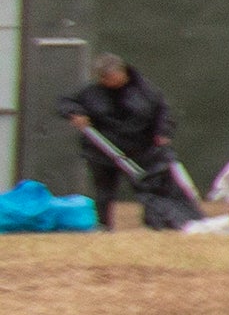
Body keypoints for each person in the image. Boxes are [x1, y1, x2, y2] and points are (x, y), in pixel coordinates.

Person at [60, 55, 194, 229]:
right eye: (103, 78)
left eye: (110, 77)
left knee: (149, 188)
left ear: (122, 73)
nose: (107, 81)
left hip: (140, 150)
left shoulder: (145, 91)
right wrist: (74, 113)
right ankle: (103, 225)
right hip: (102, 151)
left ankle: (157, 221)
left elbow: (163, 111)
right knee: (104, 191)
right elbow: (65, 102)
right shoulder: (91, 92)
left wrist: (163, 131)